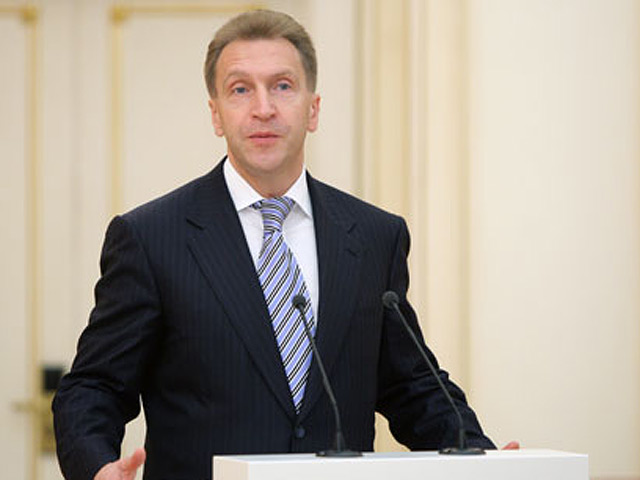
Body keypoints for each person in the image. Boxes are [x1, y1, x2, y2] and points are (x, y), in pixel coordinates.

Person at [53, 9, 509, 480]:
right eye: (240, 89)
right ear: (216, 114)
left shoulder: (374, 236)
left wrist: (483, 459)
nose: (263, 108)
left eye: (283, 86)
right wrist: (96, 467)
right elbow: (94, 387)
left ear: (313, 109)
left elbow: (412, 385)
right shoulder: (151, 237)